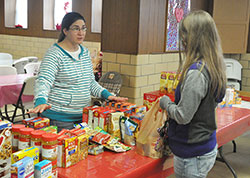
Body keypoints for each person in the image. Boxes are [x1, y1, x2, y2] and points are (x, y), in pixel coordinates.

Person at [29, 12, 127, 131]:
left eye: (83, 28)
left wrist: (108, 95)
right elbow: (44, 80)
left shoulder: (84, 52)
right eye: (76, 29)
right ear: (65, 31)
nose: (81, 33)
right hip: (60, 119)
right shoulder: (54, 54)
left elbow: (90, 82)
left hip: (83, 117)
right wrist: (40, 100)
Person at [159, 10, 226, 178]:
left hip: (192, 153)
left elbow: (183, 116)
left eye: (185, 35)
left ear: (194, 38)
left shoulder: (197, 73)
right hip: (205, 145)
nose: (182, 41)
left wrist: (165, 102)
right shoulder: (214, 65)